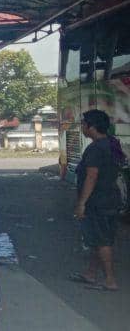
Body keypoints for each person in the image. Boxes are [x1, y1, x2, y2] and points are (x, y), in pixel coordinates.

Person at [70, 109, 122, 292]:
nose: (82, 127)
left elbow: (91, 176)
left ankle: (110, 280)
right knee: (96, 238)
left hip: (97, 201)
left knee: (102, 241)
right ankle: (91, 274)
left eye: (84, 124)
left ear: (91, 127)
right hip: (111, 198)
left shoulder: (95, 148)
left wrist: (82, 203)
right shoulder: (112, 143)